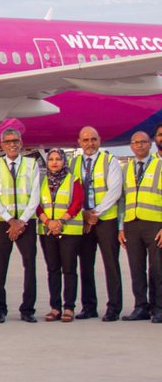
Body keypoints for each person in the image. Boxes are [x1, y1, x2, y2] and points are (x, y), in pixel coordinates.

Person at [0, 127, 40, 323]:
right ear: (2, 145)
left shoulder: (31, 164)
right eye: (8, 141)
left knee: (30, 266)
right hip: (2, 222)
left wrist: (21, 221)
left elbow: (35, 195)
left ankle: (28, 309)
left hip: (26, 222)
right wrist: (10, 220)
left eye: (15, 141)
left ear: (21, 143)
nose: (12, 145)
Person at [71, 126, 124, 320]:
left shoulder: (110, 161)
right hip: (84, 221)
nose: (89, 143)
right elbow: (71, 192)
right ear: (79, 142)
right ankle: (89, 306)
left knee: (111, 264)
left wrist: (96, 213)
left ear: (99, 140)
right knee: (85, 265)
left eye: (93, 139)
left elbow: (114, 191)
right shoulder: (74, 163)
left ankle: (114, 307)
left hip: (105, 221)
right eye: (85, 140)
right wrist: (84, 214)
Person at [36, 148, 85, 322]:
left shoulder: (73, 179)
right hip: (47, 230)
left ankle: (69, 308)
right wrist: (48, 222)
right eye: (51, 159)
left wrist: (60, 222)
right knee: (53, 269)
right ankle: (55, 307)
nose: (54, 162)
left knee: (69, 269)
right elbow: (36, 203)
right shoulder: (41, 180)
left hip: (69, 230)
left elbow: (77, 202)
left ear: (64, 161)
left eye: (58, 159)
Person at [118, 131, 162, 322]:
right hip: (132, 224)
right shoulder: (126, 168)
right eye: (135, 142)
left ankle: (159, 307)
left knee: (158, 269)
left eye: (143, 142)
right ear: (131, 146)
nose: (139, 145)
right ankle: (141, 307)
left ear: (150, 144)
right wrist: (121, 227)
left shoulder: (159, 165)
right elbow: (122, 200)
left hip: (155, 223)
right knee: (136, 268)